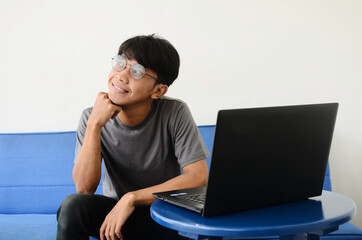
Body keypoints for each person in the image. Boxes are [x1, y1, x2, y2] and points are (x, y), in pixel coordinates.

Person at [56, 34, 210, 240]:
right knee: (72, 207)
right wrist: (94, 124)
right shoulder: (90, 117)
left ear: (158, 90)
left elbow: (198, 177)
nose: (121, 75)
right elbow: (84, 188)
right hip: (114, 217)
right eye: (120, 63)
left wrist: (132, 198)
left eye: (137, 72)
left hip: (160, 215)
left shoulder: (175, 112)